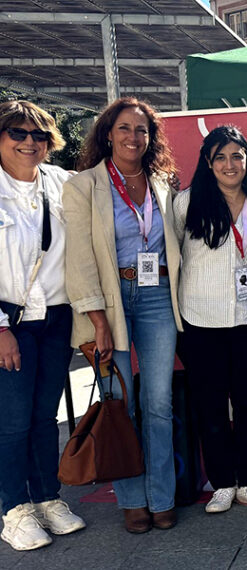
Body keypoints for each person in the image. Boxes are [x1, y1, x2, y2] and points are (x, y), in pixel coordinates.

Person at [63, 97, 182, 533]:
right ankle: (132, 499)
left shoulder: (163, 183)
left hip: (157, 299)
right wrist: (97, 321)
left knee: (159, 403)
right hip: (110, 301)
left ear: (151, 139)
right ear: (107, 133)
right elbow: (78, 258)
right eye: (125, 128)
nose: (134, 137)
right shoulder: (83, 186)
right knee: (120, 402)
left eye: (142, 130)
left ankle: (162, 495)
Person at [173, 126, 247, 513]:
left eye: (237, 156)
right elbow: (173, 261)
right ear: (208, 162)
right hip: (200, 321)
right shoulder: (186, 203)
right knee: (210, 407)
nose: (230, 164)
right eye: (221, 157)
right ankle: (222, 483)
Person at [0, 101, 86, 551]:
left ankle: (47, 497)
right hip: (8, 319)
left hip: (55, 317)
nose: (28, 142)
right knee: (11, 421)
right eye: (17, 132)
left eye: (38, 135)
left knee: (42, 416)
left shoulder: (61, 182)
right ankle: (13, 509)